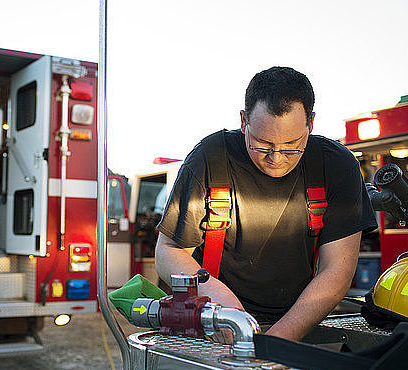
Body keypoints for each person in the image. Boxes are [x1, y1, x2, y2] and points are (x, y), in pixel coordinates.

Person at [155, 66, 377, 341]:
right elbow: (168, 252)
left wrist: (274, 343)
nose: (276, 157)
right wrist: (224, 304)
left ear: (311, 123)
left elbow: (336, 271)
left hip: (297, 320)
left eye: (292, 144)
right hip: (214, 321)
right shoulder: (210, 160)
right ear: (243, 121)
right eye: (261, 144)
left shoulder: (336, 166)